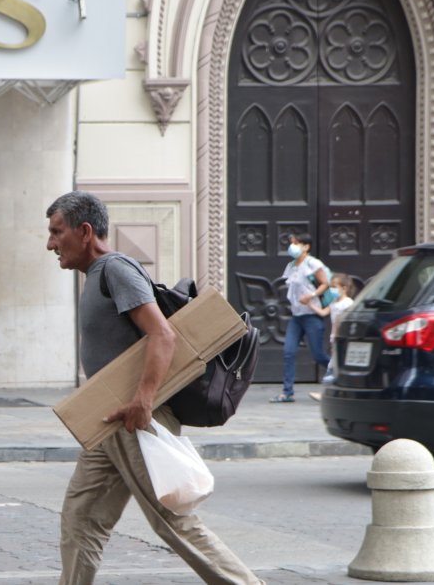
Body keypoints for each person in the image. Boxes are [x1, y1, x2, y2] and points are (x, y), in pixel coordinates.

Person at [45, 191, 262, 585]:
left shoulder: (115, 269)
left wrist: (143, 401)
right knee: (82, 517)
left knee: (172, 522)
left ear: (85, 231)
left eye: (57, 232)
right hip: (106, 422)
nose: (51, 244)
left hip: (133, 416)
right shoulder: (96, 277)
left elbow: (162, 335)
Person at [271, 233, 332, 403]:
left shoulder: (313, 263)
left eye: (296, 243)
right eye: (292, 243)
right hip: (296, 316)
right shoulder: (291, 266)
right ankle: (287, 392)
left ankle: (339, 376)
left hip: (312, 315)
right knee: (288, 352)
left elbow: (325, 283)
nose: (293, 246)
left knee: (318, 355)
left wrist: (311, 295)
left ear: (306, 246)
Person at [307, 272, 357, 401]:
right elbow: (323, 312)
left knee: (333, 366)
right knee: (336, 366)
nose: (332, 290)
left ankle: (326, 393)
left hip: (343, 339)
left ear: (344, 288)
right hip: (335, 338)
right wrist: (310, 304)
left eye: (335, 286)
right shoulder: (334, 302)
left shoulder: (348, 303)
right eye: (331, 286)